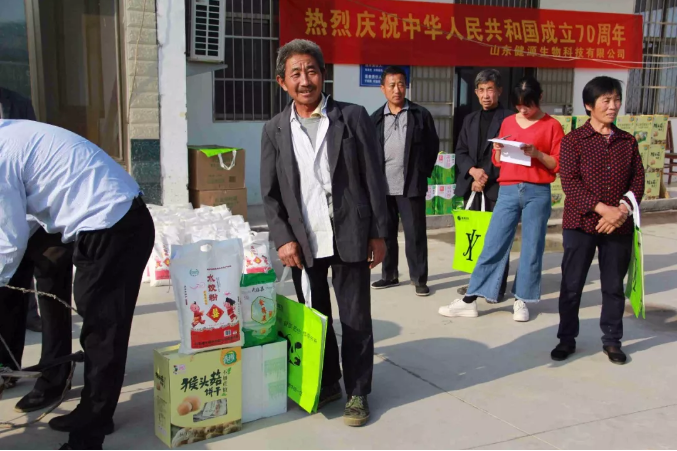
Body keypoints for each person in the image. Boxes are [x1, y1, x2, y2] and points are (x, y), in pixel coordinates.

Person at [0, 119, 155, 450]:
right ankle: (70, 391)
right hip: (100, 216)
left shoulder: (2, 152)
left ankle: (91, 429)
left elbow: (8, 242)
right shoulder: (10, 136)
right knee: (71, 300)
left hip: (112, 224)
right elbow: (22, 216)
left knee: (101, 329)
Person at [261, 39, 387, 427]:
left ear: (323, 74)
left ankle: (358, 391)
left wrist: (379, 232)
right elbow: (270, 193)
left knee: (355, 317)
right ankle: (328, 380)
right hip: (304, 241)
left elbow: (373, 177)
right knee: (316, 317)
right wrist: (283, 238)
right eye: (296, 73)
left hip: (351, 232)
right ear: (282, 82)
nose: (305, 80)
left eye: (311, 71)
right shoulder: (274, 129)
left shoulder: (352, 116)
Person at [439, 77, 563, 322]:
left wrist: (537, 153)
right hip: (507, 189)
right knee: (493, 244)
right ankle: (471, 299)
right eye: (519, 105)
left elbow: (557, 164)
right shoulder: (508, 121)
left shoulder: (552, 126)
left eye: (528, 105)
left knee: (532, 247)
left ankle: (522, 299)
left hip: (537, 191)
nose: (523, 110)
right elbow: (498, 161)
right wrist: (497, 152)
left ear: (540, 98)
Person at [552, 76, 644, 365]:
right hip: (580, 223)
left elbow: (638, 181)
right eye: (606, 100)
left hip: (618, 225)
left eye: (616, 100)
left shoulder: (627, 141)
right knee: (572, 284)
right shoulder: (573, 141)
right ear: (589, 105)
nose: (613, 106)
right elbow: (570, 182)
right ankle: (566, 338)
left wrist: (622, 211)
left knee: (613, 286)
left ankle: (612, 340)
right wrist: (604, 210)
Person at [370, 66, 439, 296]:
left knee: (415, 234)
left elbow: (432, 146)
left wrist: (421, 172)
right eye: (391, 85)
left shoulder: (420, 115)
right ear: (383, 89)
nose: (397, 89)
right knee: (386, 233)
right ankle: (389, 275)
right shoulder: (375, 118)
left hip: (411, 186)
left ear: (406, 86)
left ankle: (419, 279)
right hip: (383, 188)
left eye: (400, 84)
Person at [454, 69, 514, 301]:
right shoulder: (469, 119)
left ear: (499, 91)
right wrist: (472, 171)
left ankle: (496, 288)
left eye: (490, 89)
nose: (486, 95)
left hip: (497, 188)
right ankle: (476, 283)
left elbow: (506, 153)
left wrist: (483, 175)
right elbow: (461, 151)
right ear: (476, 92)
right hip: (473, 186)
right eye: (481, 90)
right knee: (475, 236)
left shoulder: (509, 119)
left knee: (498, 239)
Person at [0, 86, 44, 333]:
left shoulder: (17, 102)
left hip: (14, 184)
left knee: (17, 246)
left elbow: (33, 142)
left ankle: (27, 311)